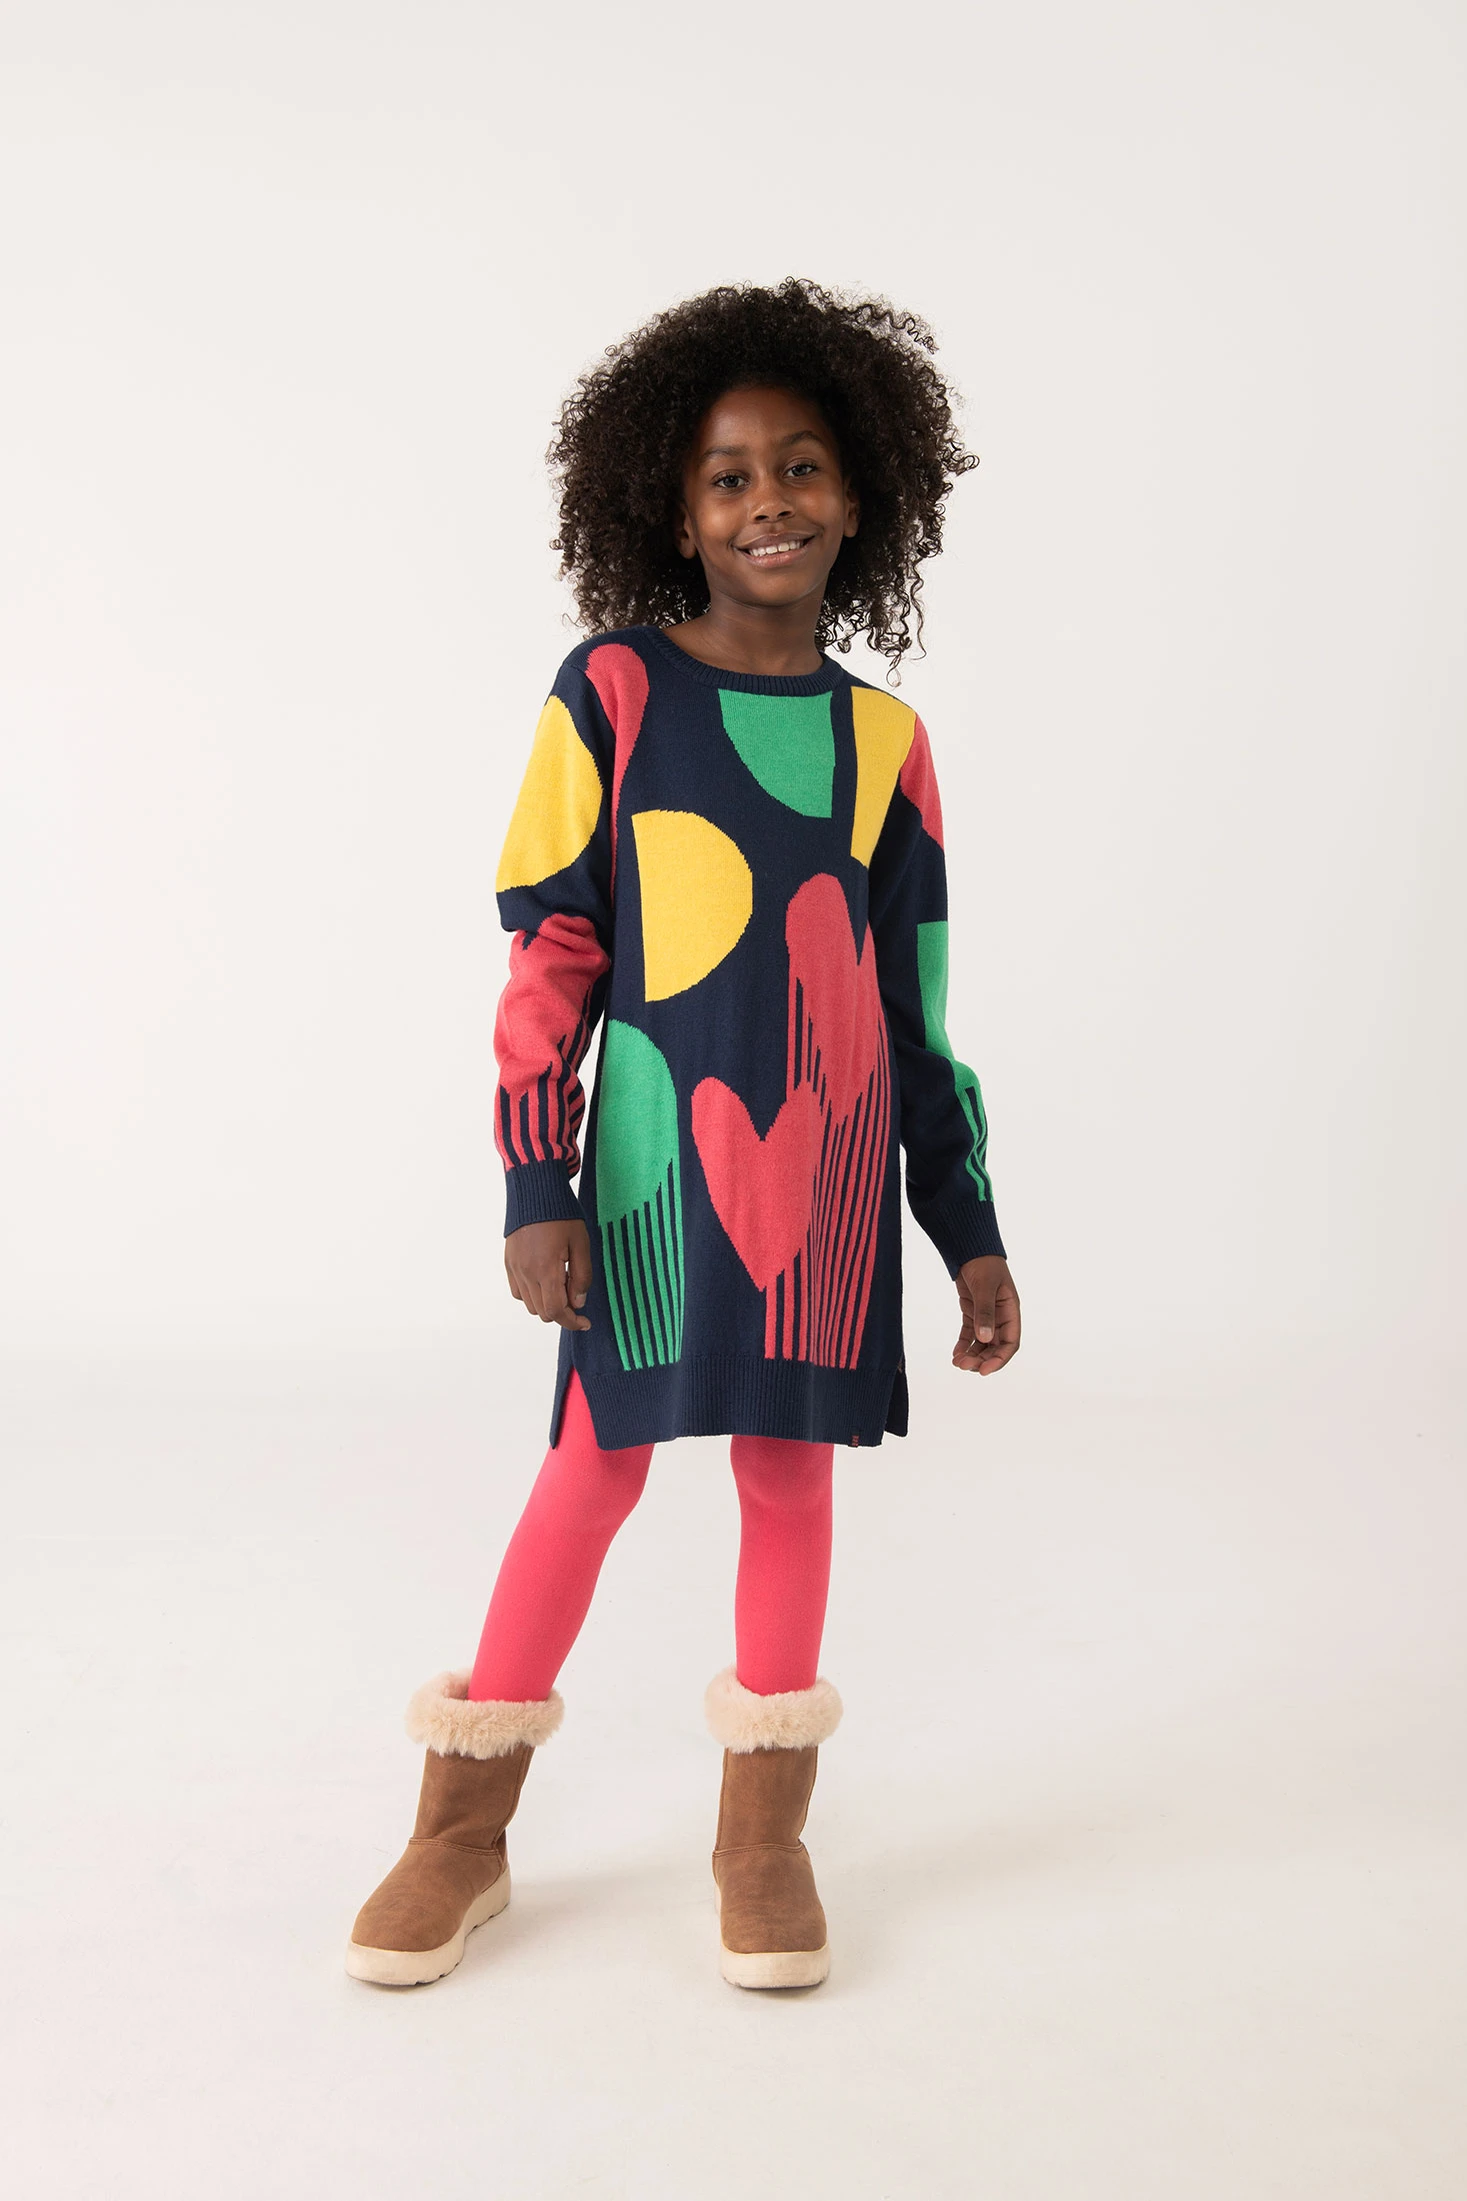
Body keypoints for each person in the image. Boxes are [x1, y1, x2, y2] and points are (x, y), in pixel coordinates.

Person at [346, 279, 1021, 1993]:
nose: (766, 502)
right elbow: (551, 951)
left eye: (799, 468)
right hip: (650, 1172)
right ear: (672, 508)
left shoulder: (884, 743)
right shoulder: (613, 691)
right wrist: (536, 1178)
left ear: (860, 495)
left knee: (788, 1477)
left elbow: (913, 1009)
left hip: (829, 1187)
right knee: (592, 1470)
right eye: (727, 477)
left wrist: (968, 1231)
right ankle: (460, 1829)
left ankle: (762, 1838)